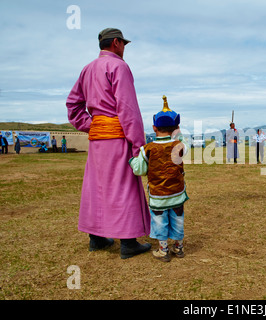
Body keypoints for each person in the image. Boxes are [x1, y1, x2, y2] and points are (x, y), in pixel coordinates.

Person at [66, 27, 151, 259]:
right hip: (117, 136)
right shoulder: (119, 67)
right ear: (116, 43)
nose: (124, 48)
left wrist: (91, 125)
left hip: (97, 140)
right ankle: (128, 241)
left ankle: (96, 237)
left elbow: (73, 105)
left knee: (96, 186)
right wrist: (137, 145)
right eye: (123, 43)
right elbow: (127, 108)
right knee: (124, 186)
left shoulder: (87, 69)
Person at [129, 96, 189, 262]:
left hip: (158, 195)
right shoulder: (179, 146)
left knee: (159, 221)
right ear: (175, 128)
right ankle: (178, 247)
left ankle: (164, 250)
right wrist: (178, 131)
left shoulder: (146, 149)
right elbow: (184, 143)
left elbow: (139, 169)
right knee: (178, 220)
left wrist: (132, 161)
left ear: (154, 127)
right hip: (177, 193)